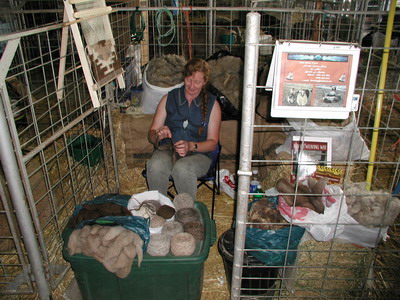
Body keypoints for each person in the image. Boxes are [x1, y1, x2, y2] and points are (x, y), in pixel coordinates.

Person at [146, 58, 221, 201]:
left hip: (199, 155)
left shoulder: (213, 104)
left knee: (182, 169)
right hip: (168, 149)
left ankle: (186, 215)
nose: (192, 86)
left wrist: (191, 146)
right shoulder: (169, 98)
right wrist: (158, 135)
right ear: (184, 78)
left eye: (197, 82)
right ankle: (159, 209)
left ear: (205, 82)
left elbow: (212, 142)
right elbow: (151, 134)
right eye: (188, 80)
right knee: (155, 165)